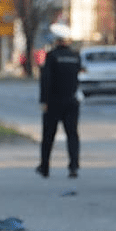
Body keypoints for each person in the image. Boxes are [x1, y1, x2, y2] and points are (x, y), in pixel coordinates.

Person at [36, 24, 82, 179]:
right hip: (72, 101)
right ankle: (73, 166)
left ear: (56, 40)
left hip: (53, 102)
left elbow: (46, 80)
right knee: (72, 135)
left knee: (48, 136)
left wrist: (44, 101)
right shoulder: (76, 56)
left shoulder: (52, 56)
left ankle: (44, 167)